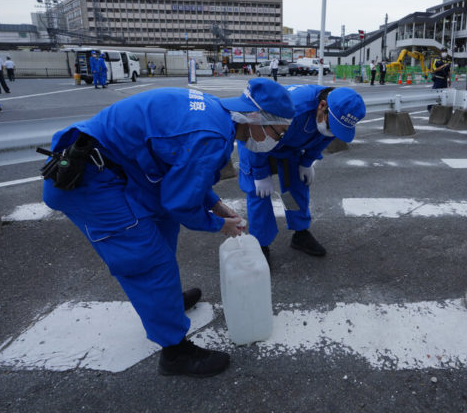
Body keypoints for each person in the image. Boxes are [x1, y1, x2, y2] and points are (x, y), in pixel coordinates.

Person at [42, 78, 295, 378]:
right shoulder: (212, 137)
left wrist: (215, 205)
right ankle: (175, 353)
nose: (276, 141)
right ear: (256, 119)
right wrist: (220, 225)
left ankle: (167, 303)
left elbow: (184, 174)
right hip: (91, 181)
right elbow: (181, 204)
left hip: (124, 169)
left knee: (164, 230)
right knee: (148, 260)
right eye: (278, 132)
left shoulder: (217, 115)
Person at [237, 85, 366, 263]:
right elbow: (257, 136)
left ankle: (300, 233)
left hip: (290, 146)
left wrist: (307, 162)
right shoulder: (293, 109)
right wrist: (259, 173)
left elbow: (325, 137)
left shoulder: (336, 112)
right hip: (258, 139)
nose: (332, 131)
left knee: (296, 187)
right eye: (331, 125)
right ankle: (260, 244)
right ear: (322, 105)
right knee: (259, 193)